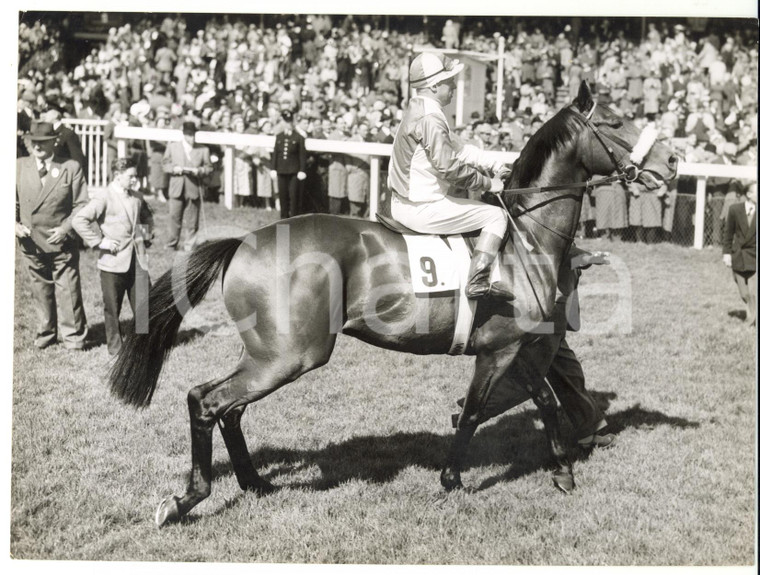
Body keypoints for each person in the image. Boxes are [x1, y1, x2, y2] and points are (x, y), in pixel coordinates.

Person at [387, 52, 511, 300]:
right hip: (422, 208)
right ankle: (477, 282)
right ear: (434, 85)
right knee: (496, 216)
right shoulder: (431, 118)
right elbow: (449, 167)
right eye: (449, 80)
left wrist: (496, 163)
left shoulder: (419, 109)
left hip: (404, 202)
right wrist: (488, 183)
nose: (454, 85)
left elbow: (460, 149)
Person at [15, 120, 89, 350]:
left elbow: (82, 205)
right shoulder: (17, 166)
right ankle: (46, 333)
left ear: (54, 142)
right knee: (40, 289)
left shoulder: (70, 167)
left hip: (61, 242)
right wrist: (13, 224)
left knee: (68, 288)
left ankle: (74, 336)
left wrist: (66, 228)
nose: (37, 147)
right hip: (30, 241)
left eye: (43, 142)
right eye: (33, 142)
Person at [72, 157, 154, 355]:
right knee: (112, 308)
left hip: (137, 260)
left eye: (136, 176)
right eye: (131, 177)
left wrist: (144, 239)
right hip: (112, 263)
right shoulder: (103, 197)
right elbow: (79, 220)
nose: (135, 180)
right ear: (117, 176)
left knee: (145, 305)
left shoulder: (137, 197)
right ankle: (116, 348)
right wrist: (100, 242)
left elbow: (146, 218)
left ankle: (144, 346)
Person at [162, 121, 212, 251]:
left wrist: (199, 171)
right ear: (184, 134)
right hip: (177, 187)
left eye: (193, 135)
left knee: (192, 220)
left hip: (193, 187)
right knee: (174, 217)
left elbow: (209, 167)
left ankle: (189, 245)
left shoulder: (203, 150)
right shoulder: (173, 147)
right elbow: (165, 164)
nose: (192, 138)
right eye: (189, 135)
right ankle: (171, 244)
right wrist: (174, 169)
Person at [722, 182, 756, 326]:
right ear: (749, 194)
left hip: (755, 256)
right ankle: (752, 313)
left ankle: (751, 321)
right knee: (744, 294)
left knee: (754, 293)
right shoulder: (735, 209)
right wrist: (727, 253)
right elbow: (728, 234)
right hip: (739, 257)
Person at [270, 109, 307, 219]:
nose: (288, 124)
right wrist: (273, 168)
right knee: (283, 198)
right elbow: (276, 153)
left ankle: (294, 224)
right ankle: (283, 226)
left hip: (294, 171)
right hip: (281, 170)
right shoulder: (279, 137)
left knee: (293, 198)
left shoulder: (299, 137)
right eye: (286, 122)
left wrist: (302, 170)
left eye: (290, 121)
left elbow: (302, 155)